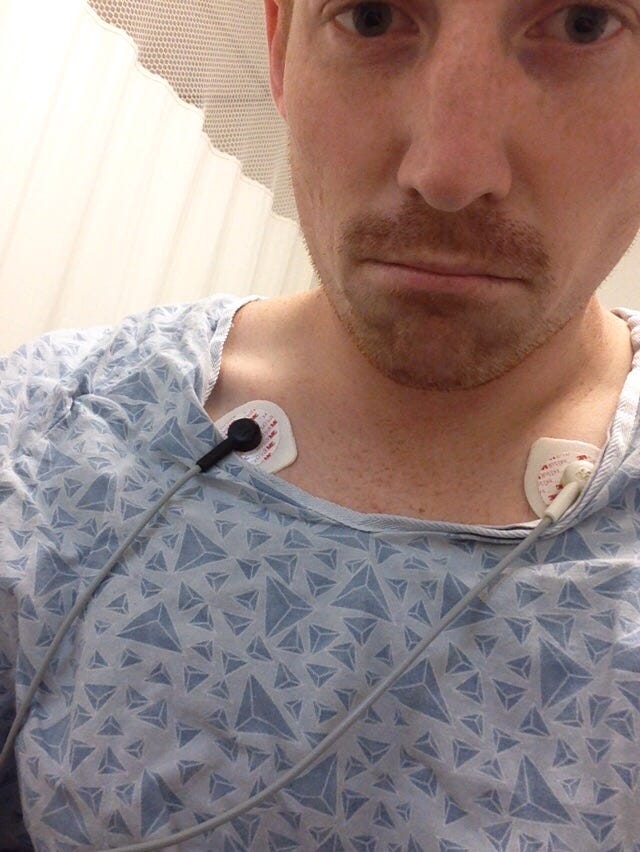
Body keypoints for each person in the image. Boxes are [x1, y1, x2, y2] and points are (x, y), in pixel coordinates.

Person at [1, 0, 640, 848]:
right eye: (371, 18)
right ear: (279, 51)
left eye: (584, 24)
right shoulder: (43, 430)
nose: (449, 172)